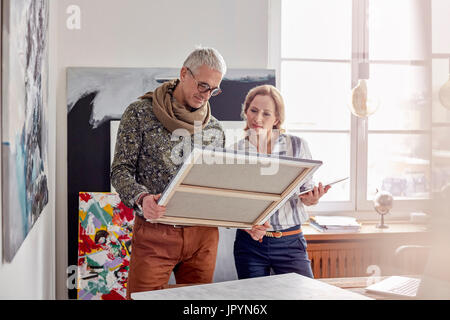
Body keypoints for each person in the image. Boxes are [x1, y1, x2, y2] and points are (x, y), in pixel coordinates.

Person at [111, 47, 227, 299]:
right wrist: (142, 199)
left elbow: (219, 188)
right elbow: (120, 171)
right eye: (203, 85)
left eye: (214, 89)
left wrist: (248, 218)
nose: (206, 95)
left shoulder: (215, 129)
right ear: (184, 73)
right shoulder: (139, 113)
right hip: (155, 233)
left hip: (203, 237)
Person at [233, 84, 330, 279]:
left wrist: (311, 198)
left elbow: (306, 190)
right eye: (253, 110)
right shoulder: (234, 151)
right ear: (246, 111)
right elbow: (231, 202)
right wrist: (246, 225)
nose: (257, 118)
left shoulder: (297, 145)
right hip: (250, 244)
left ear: (277, 119)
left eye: (266, 114)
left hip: (290, 242)